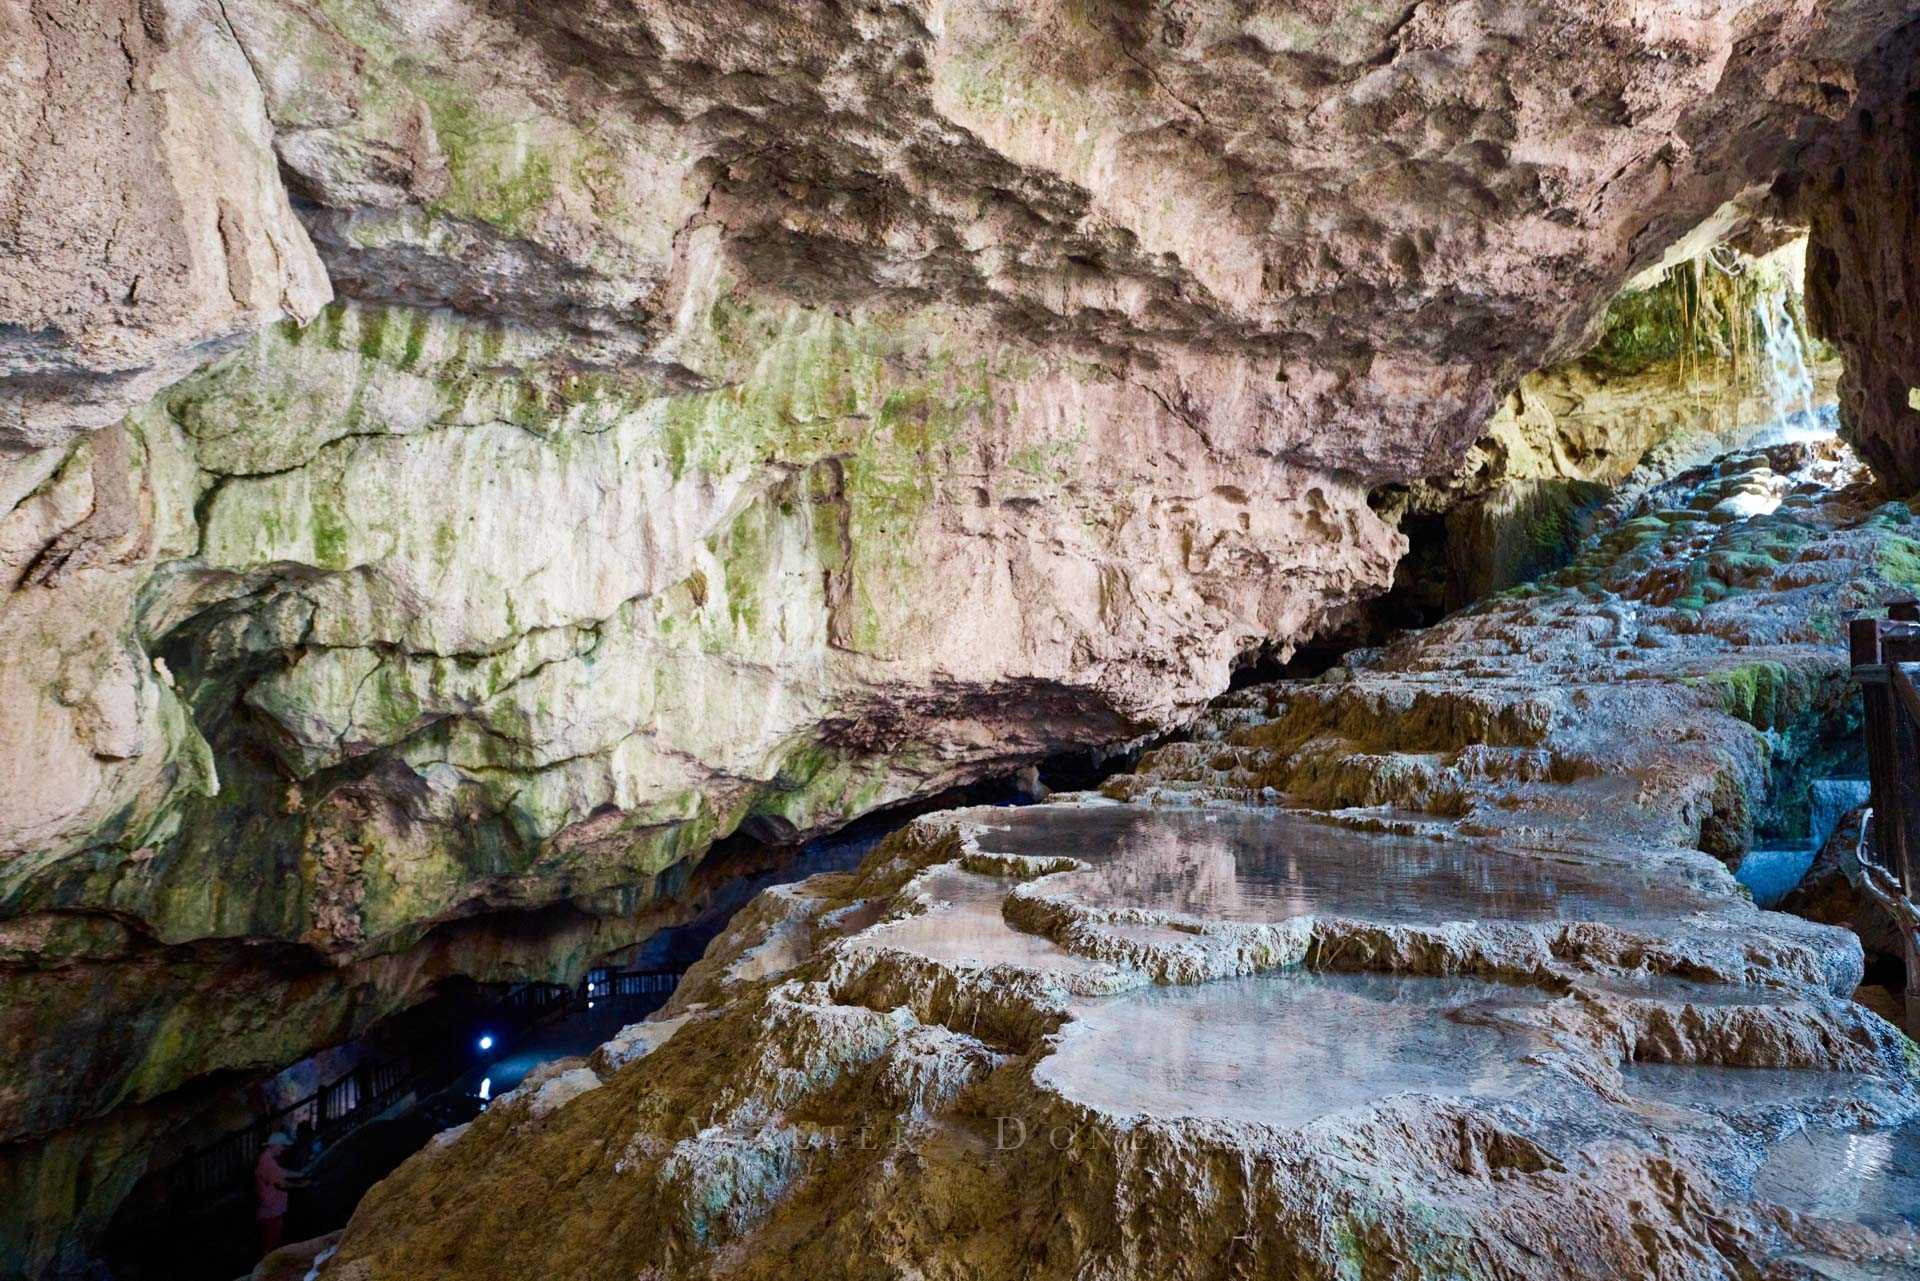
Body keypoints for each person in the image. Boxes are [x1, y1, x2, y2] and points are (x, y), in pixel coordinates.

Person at [254, 1132, 298, 1256]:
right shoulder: (268, 1163)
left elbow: (281, 1172)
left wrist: (299, 1174)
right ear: (275, 1145)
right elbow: (282, 1183)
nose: (284, 1149)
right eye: (283, 1146)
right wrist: (300, 1185)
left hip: (270, 1209)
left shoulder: (266, 1159)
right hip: (271, 1211)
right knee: (271, 1246)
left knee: (272, 1244)